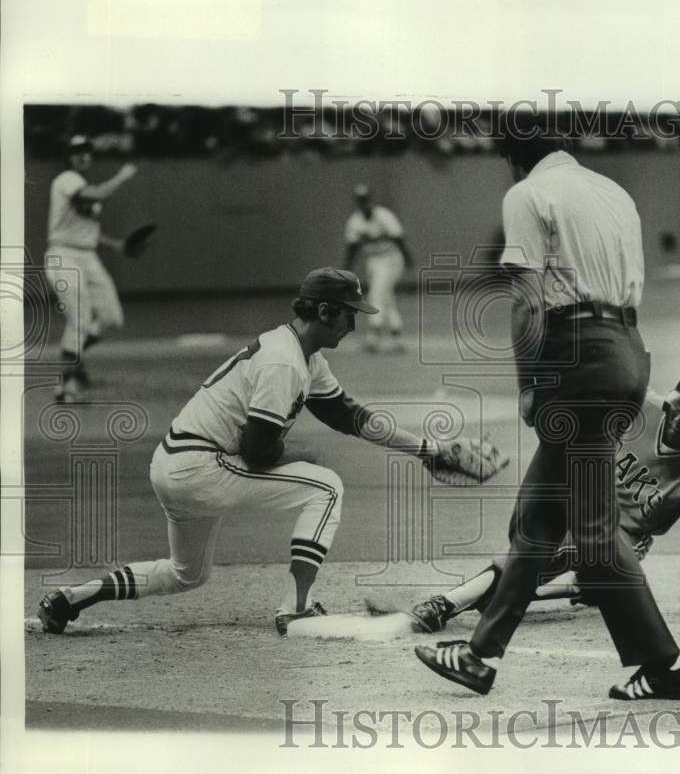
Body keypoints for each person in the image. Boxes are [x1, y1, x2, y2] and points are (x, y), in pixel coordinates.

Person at [414, 123, 680, 701]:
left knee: (593, 531)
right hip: (626, 352)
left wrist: (531, 382)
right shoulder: (612, 190)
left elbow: (527, 298)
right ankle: (479, 655)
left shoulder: (527, 195)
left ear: (516, 153)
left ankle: (665, 666)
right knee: (539, 519)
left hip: (577, 356)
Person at [37, 268, 437, 637]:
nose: (353, 324)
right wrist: (305, 456)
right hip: (200, 466)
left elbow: (350, 417)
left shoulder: (303, 355)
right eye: (349, 314)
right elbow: (258, 451)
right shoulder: (284, 363)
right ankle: (295, 607)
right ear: (325, 310)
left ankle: (71, 598)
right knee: (326, 487)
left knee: (187, 575)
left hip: (173, 464)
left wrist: (426, 449)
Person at [408, 368, 680, 633]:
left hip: (621, 540)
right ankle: (590, 585)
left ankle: (444, 604)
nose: (677, 421)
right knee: (534, 552)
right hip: (578, 498)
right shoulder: (639, 406)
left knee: (543, 554)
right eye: (676, 410)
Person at [44, 135, 139, 403]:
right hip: (63, 256)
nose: (82, 155)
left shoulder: (83, 184)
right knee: (80, 320)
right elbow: (96, 194)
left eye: (86, 151)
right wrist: (121, 177)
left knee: (111, 316)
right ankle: (66, 387)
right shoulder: (66, 180)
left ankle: (75, 361)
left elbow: (88, 233)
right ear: (69, 157)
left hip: (87, 257)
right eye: (76, 151)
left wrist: (117, 245)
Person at [343, 184, 413, 353]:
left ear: (370, 199)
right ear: (357, 202)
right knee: (385, 295)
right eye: (360, 200)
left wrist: (408, 257)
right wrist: (346, 268)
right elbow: (352, 248)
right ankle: (396, 335)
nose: (363, 202)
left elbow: (398, 238)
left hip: (391, 258)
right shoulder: (355, 221)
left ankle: (374, 334)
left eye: (365, 199)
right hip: (373, 260)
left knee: (377, 292)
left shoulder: (384, 215)